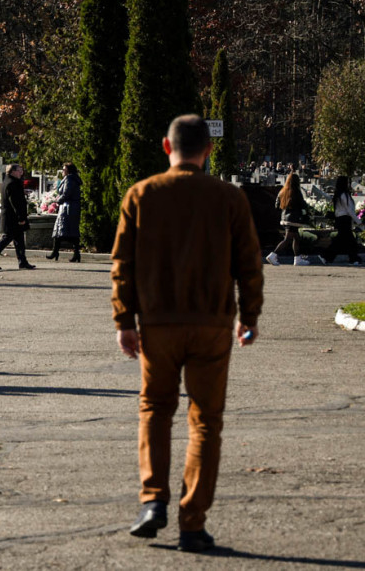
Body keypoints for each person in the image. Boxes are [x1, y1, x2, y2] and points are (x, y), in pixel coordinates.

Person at [111, 114, 264, 553]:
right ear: (208, 150)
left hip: (158, 322)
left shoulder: (141, 195)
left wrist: (124, 321)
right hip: (212, 323)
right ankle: (192, 523)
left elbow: (123, 265)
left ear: (166, 147)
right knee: (206, 421)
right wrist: (249, 318)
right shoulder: (228, 198)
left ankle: (152, 501)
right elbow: (249, 264)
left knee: (155, 409)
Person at [0, 164, 35, 270]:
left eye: (21, 170)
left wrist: (22, 192)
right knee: (7, 238)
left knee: (19, 240)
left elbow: (13, 196)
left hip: (10, 216)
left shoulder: (8, 181)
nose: (21, 172)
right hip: (13, 217)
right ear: (12, 171)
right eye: (19, 170)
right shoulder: (13, 183)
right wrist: (21, 218)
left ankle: (22, 261)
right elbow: (15, 202)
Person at [266, 172, 311, 266]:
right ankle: (273, 255)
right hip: (293, 218)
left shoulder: (283, 191)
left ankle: (297, 258)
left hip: (285, 217)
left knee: (296, 238)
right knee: (287, 239)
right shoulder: (296, 191)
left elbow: (277, 205)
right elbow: (302, 204)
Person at [320, 175, 361, 265]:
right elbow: (349, 210)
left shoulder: (339, 195)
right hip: (344, 220)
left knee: (343, 240)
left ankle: (328, 257)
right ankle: (353, 259)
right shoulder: (344, 195)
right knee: (348, 240)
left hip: (341, 219)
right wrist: (358, 221)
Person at [47, 162, 83, 263]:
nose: (62, 171)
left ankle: (58, 252)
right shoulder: (73, 178)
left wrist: (57, 201)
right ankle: (73, 253)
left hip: (68, 208)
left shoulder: (69, 179)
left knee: (62, 230)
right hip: (71, 207)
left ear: (68, 171)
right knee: (68, 230)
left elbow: (67, 193)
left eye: (64, 169)